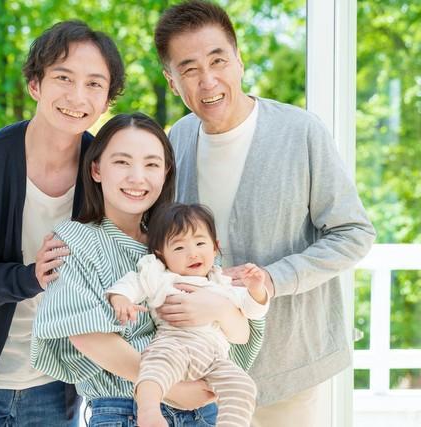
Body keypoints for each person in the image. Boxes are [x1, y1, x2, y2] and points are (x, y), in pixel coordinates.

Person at [153, 2, 376, 426]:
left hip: (285, 366)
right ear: (172, 81)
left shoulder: (300, 131)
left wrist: (273, 279)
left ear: (239, 60)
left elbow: (353, 232)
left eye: (218, 60)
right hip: (200, 369)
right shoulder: (177, 138)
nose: (208, 80)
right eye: (190, 69)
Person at [0, 20, 125, 427]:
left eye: (94, 84)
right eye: (63, 78)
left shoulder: (106, 172)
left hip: (58, 385)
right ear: (35, 84)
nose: (77, 96)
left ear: (108, 99)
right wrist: (30, 277)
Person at [31, 113, 265, 427]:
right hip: (126, 410)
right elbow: (85, 332)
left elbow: (241, 331)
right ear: (96, 169)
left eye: (152, 164)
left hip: (206, 410)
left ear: (166, 172)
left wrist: (221, 308)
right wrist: (170, 390)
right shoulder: (75, 240)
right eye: (122, 162)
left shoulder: (181, 239)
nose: (137, 177)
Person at [106, 203, 269, 427]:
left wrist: (257, 289)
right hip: (175, 343)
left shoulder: (223, 283)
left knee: (243, 385)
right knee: (155, 365)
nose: (192, 253)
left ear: (215, 247)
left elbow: (253, 310)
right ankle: (148, 410)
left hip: (214, 358)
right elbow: (132, 283)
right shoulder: (161, 275)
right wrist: (121, 299)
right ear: (161, 255)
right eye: (179, 247)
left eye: (200, 243)